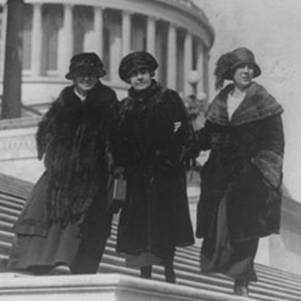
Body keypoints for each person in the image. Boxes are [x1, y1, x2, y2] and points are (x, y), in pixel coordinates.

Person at [8, 52, 120, 274]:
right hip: (60, 170)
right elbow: (47, 126)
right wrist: (49, 150)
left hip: (91, 172)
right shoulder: (65, 98)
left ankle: (68, 261)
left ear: (98, 76)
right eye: (81, 75)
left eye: (91, 75)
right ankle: (33, 260)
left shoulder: (108, 101)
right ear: (74, 77)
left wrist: (111, 163)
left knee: (80, 218)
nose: (86, 79)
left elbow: (116, 138)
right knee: (42, 209)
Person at [192, 47, 284, 296]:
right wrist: (187, 142)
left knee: (245, 227)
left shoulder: (264, 101)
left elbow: (275, 142)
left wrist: (264, 170)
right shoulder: (221, 100)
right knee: (220, 223)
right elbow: (208, 135)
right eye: (241, 67)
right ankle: (228, 272)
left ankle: (241, 280)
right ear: (231, 72)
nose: (246, 71)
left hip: (251, 174)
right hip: (220, 172)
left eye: (250, 67)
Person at [116, 51, 195, 283]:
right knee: (140, 226)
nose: (139, 78)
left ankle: (169, 271)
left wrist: (170, 157)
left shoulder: (168, 98)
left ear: (151, 73)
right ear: (128, 80)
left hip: (165, 174)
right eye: (134, 75)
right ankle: (146, 274)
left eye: (143, 72)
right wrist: (121, 165)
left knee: (165, 223)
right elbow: (117, 140)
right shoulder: (124, 107)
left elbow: (181, 128)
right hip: (136, 177)